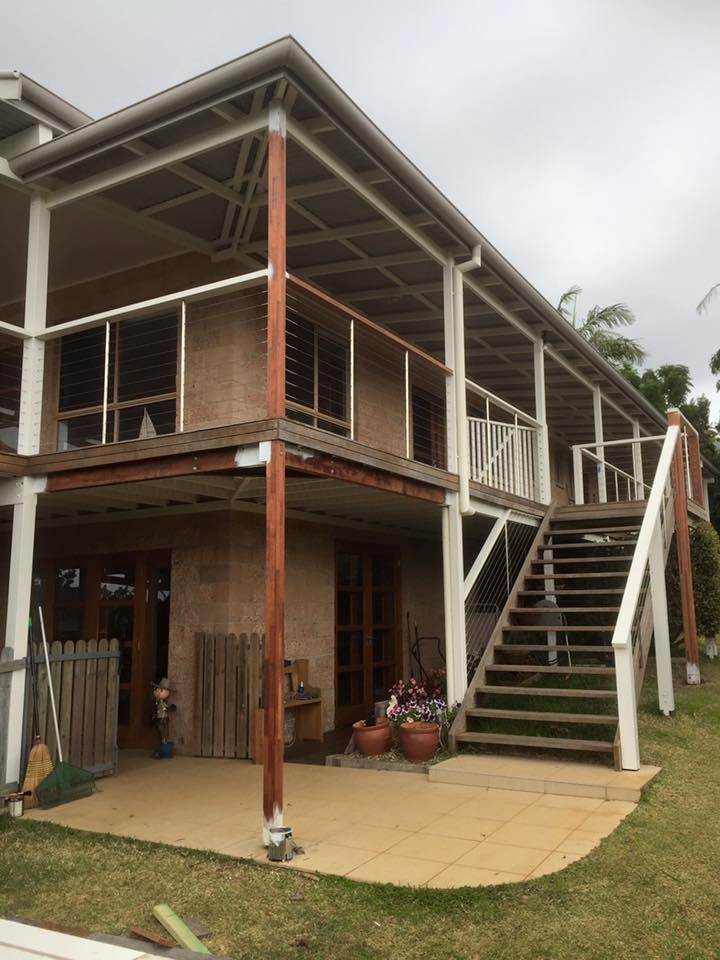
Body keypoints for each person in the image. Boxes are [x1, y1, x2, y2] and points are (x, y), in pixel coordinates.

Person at [151, 678, 176, 756]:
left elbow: (165, 708)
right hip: (161, 718)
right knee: (162, 730)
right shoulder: (159, 702)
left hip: (163, 718)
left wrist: (169, 708)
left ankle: (165, 743)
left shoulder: (162, 702)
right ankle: (164, 743)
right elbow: (162, 709)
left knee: (164, 730)